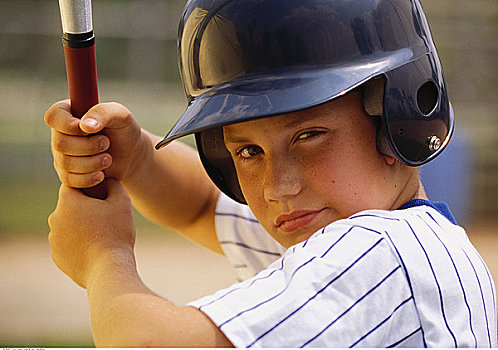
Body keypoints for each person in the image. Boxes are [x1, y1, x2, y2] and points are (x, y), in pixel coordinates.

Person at [45, 0, 497, 347]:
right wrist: (136, 158)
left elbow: (145, 343)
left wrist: (103, 255)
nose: (278, 186)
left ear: (397, 118)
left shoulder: (381, 252)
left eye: (308, 136)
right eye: (247, 150)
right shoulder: (385, 237)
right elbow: (201, 207)